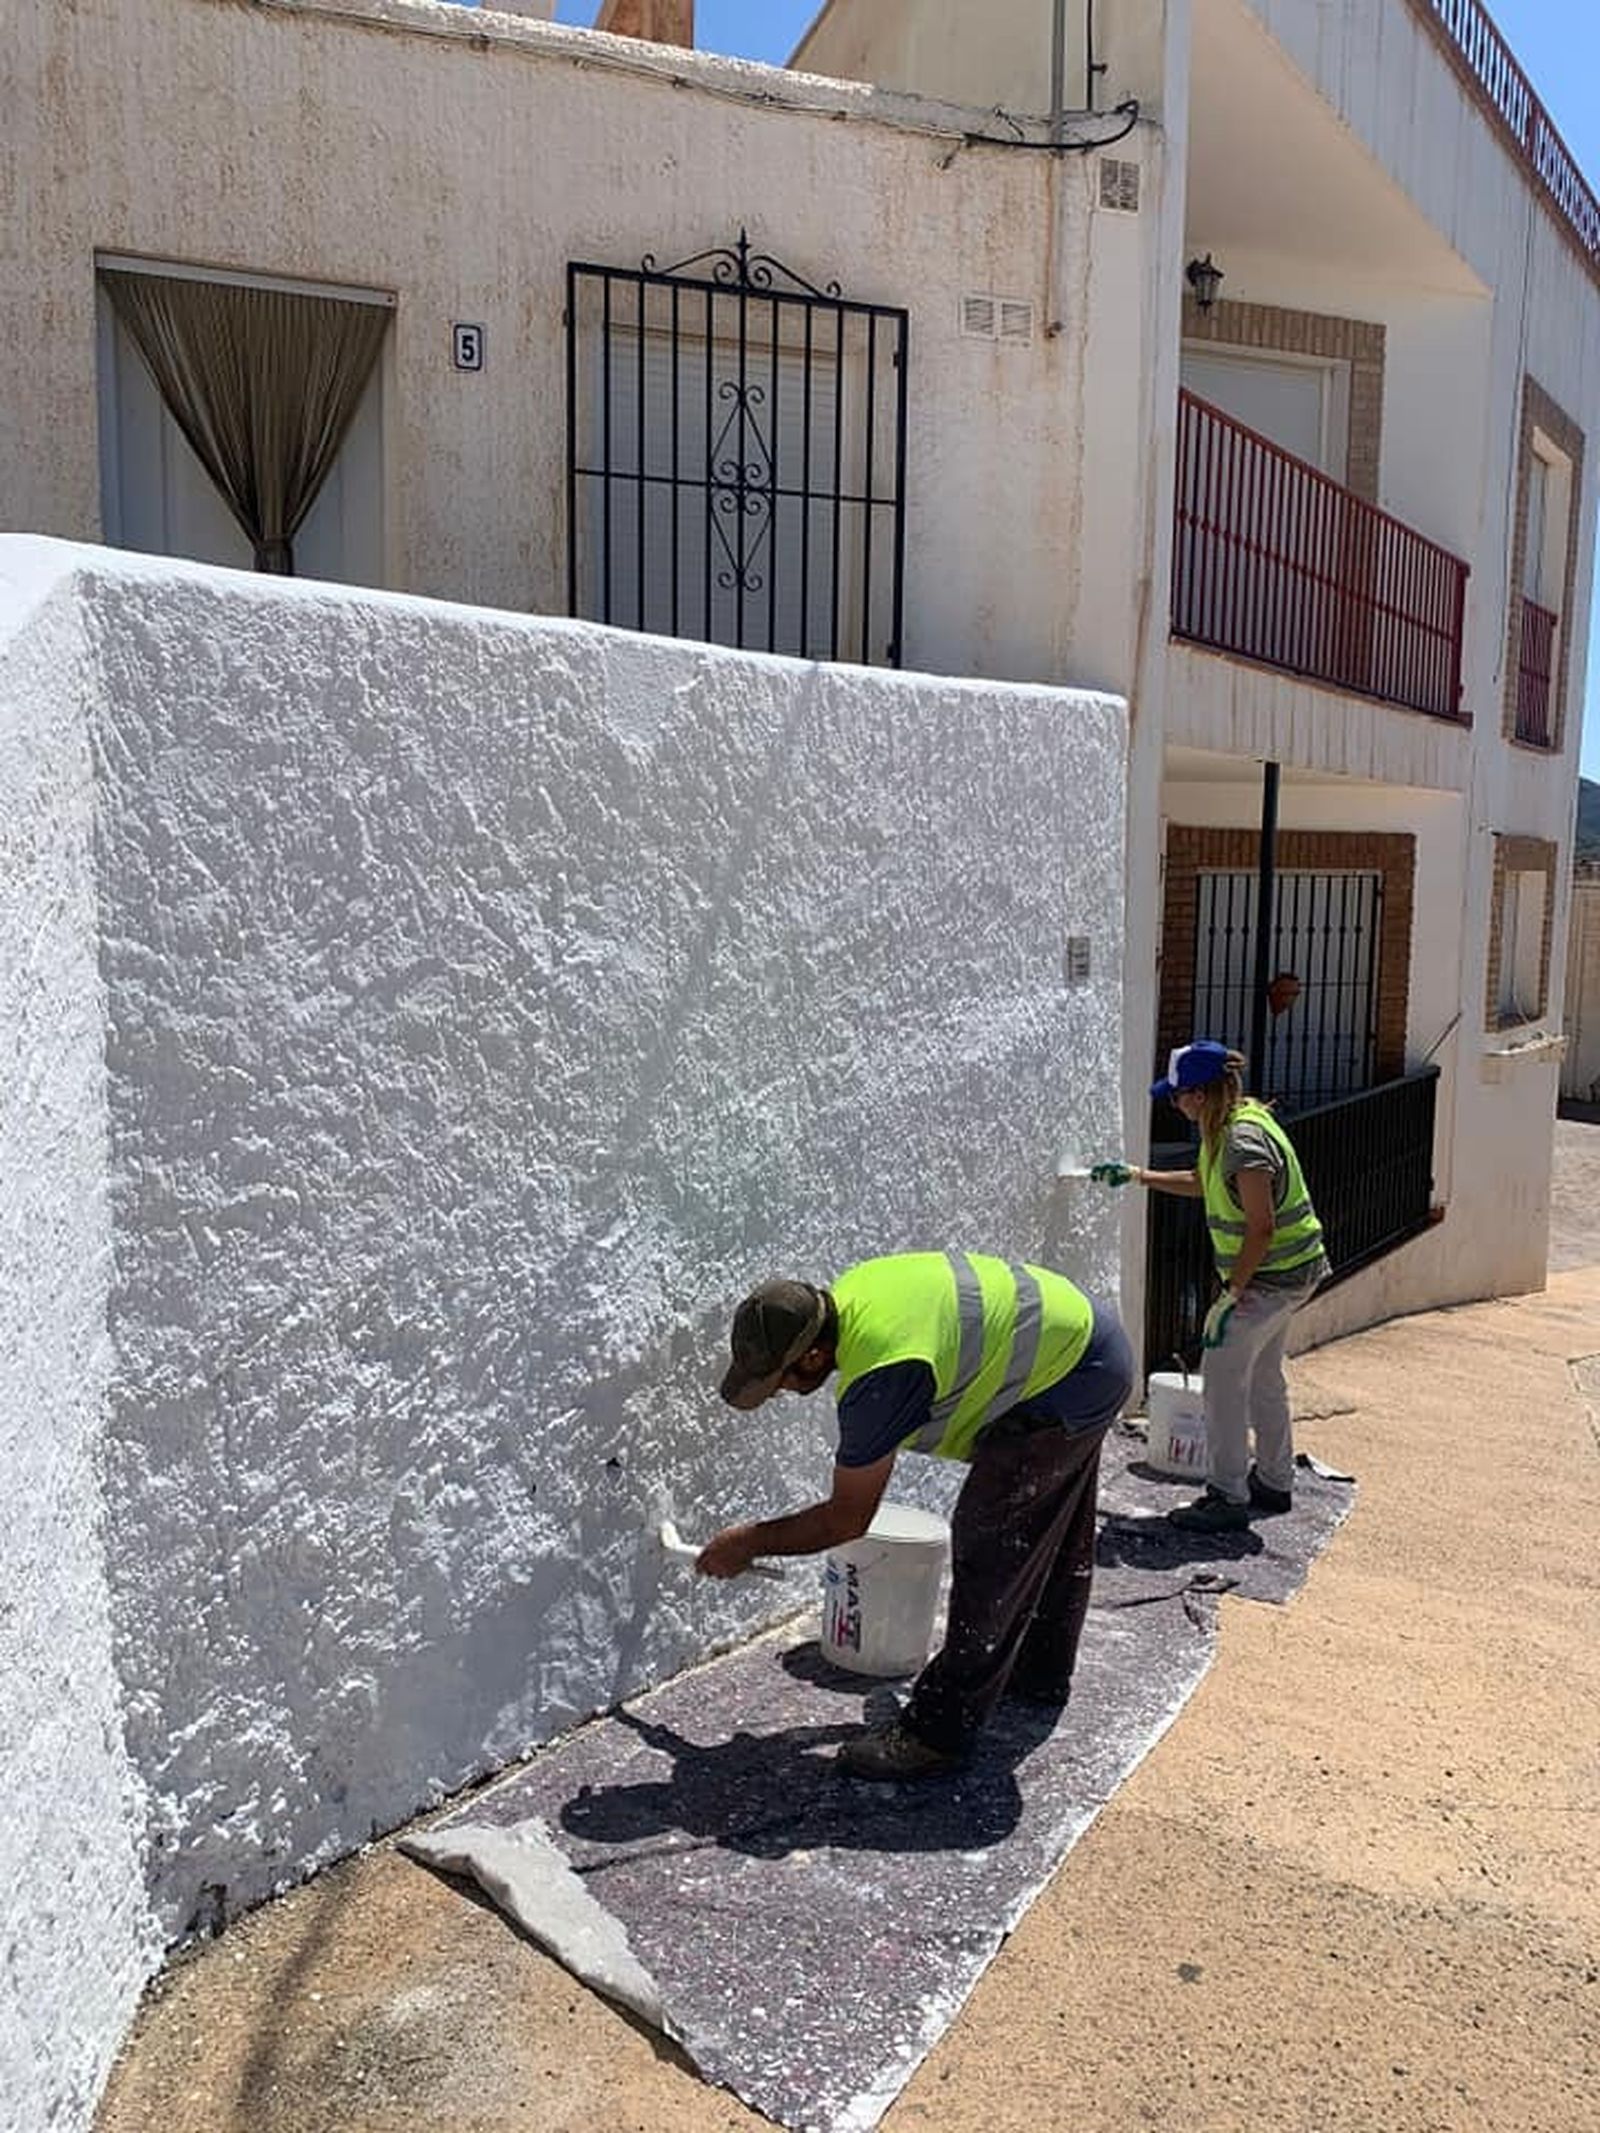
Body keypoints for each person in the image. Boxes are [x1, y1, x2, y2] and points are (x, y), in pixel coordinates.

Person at [698, 1251, 1134, 1781]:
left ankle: (937, 1734)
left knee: (991, 1544)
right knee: (1046, 1526)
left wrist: (747, 1541)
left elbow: (846, 1520)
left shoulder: (880, 1375)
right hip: (1087, 1346)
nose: (781, 1392)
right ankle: (1039, 1673)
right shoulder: (852, 1296)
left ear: (812, 1356)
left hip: (1072, 1376)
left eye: (779, 1381)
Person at [1092, 1038, 1328, 1534]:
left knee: (1221, 1381)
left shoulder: (1241, 1140)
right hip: (1291, 1274)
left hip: (1272, 1278)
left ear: (1199, 1094)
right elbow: (1206, 1182)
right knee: (1263, 1377)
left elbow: (1261, 1227)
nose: (1174, 1104)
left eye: (1177, 1095)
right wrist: (1139, 1176)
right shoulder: (1233, 1126)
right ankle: (1274, 1481)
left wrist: (1230, 1297)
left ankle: (1226, 1496)